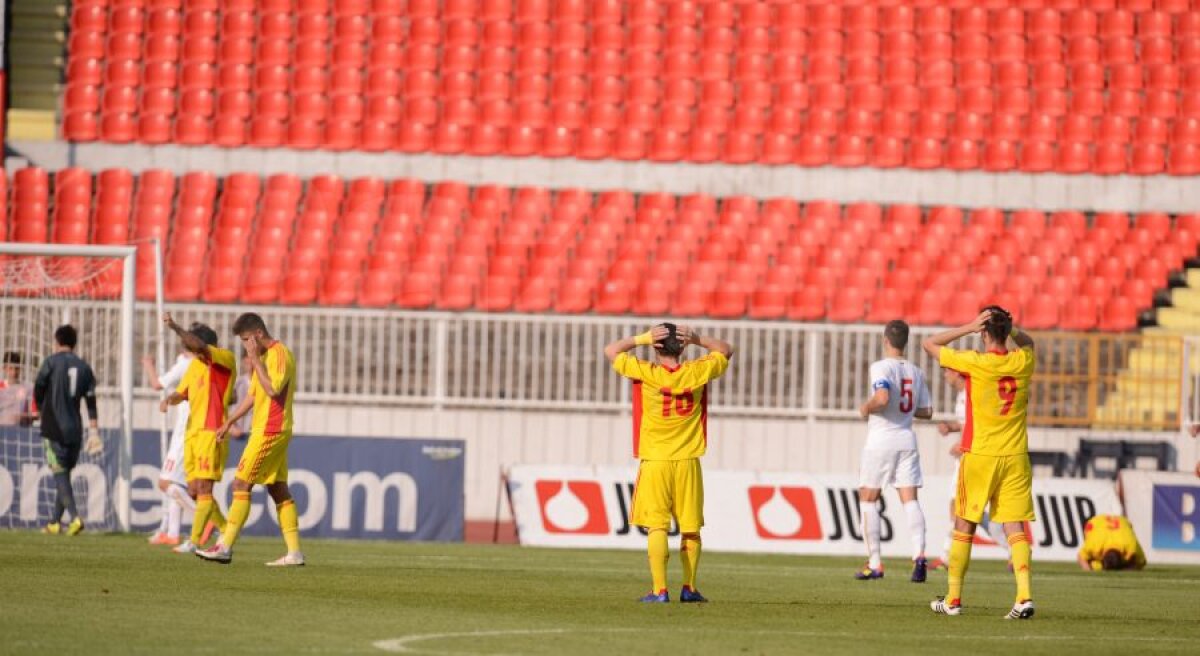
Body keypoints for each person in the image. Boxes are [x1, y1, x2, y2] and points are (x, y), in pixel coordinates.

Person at [604, 323, 733, 603]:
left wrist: (642, 337)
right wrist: (698, 339)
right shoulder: (697, 371)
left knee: (657, 526)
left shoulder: (646, 372)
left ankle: (660, 590)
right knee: (690, 527)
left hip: (655, 461)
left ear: (655, 346)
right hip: (687, 460)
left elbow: (611, 351)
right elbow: (726, 349)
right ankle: (689, 587)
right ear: (683, 346)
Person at [922, 306, 1037, 620]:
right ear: (1007, 331)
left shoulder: (975, 362)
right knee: (1014, 526)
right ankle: (1024, 596)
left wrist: (968, 326)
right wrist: (1010, 329)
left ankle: (954, 600)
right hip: (1014, 456)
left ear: (984, 332)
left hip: (980, 456)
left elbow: (930, 344)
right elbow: (1029, 343)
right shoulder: (1022, 360)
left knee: (964, 524)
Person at [198, 313, 303, 566]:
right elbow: (254, 396)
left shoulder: (279, 355)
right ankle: (294, 553)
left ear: (257, 334)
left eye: (246, 340)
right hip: (269, 429)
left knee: (240, 484)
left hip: (271, 430)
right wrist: (230, 421)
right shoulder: (264, 358)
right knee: (278, 488)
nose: (246, 346)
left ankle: (225, 546)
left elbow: (272, 389)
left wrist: (255, 359)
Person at [855, 320, 933, 583]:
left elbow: (883, 398)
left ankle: (875, 563)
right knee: (910, 500)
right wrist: (905, 410)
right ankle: (920, 555)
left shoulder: (880, 367)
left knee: (868, 497)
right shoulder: (916, 371)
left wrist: (866, 407)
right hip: (907, 440)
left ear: (886, 340)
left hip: (882, 440)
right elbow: (927, 412)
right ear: (905, 342)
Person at [160, 314, 234, 554]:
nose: (188, 348)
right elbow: (183, 393)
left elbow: (200, 346)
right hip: (192, 434)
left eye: (191, 345)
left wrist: (174, 327)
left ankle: (193, 541)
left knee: (204, 489)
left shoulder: (223, 358)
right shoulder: (194, 367)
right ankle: (225, 528)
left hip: (212, 432)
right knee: (193, 490)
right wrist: (170, 399)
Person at [931, 368, 1011, 570]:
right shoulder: (962, 394)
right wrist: (951, 427)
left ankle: (949, 556)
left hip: (972, 456)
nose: (945, 375)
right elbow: (966, 423)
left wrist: (965, 445)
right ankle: (1013, 547)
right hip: (966, 456)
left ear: (957, 373)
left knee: (961, 507)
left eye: (947, 372)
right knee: (964, 509)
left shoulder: (972, 391)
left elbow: (980, 423)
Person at [33, 325, 101, 535]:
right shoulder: (84, 367)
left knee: (60, 474)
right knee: (64, 476)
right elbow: (91, 401)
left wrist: (41, 408)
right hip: (76, 429)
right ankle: (54, 522)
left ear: (56, 341)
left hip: (54, 427)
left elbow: (38, 388)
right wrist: (94, 430)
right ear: (74, 343)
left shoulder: (51, 362)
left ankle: (75, 517)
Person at [142, 349, 196, 546]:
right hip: (188, 430)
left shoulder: (186, 363)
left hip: (184, 432)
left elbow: (157, 384)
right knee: (176, 485)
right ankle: (172, 532)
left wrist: (148, 364)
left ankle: (204, 518)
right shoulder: (198, 364)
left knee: (165, 483)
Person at [1077, 514, 1146, 572]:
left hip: (1123, 523)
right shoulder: (1093, 545)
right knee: (1090, 562)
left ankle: (1102, 566)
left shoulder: (1131, 546)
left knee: (1095, 566)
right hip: (1094, 523)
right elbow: (1081, 557)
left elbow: (1142, 562)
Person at [0, 351, 34, 426]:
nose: (14, 372)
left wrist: (22, 417)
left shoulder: (28, 388)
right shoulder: (1, 387)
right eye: (10, 368)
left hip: (21, 433)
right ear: (4, 368)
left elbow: (34, 414)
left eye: (17, 368)